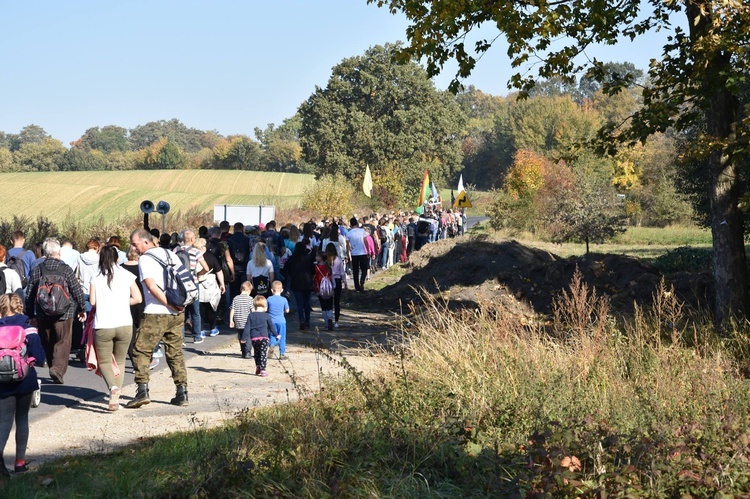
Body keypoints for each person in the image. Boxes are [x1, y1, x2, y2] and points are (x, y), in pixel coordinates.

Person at [126, 228, 189, 409]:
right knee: (175, 352)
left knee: (140, 350)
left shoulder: (145, 259)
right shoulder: (170, 254)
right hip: (177, 312)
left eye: (135, 243)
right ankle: (182, 392)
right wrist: (175, 306)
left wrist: (168, 304)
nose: (133, 247)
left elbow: (152, 287)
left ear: (146, 242)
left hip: (156, 311)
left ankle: (142, 391)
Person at [25, 238, 86, 385]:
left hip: (43, 312)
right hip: (64, 312)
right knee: (63, 341)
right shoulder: (65, 269)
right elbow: (76, 290)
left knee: (47, 341)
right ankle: (57, 369)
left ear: (45, 253)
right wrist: (82, 308)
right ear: (59, 252)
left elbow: (30, 294)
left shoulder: (38, 270)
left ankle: (53, 365)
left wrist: (30, 314)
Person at [88, 245, 142, 411]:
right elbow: (138, 298)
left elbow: (92, 302)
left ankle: (112, 388)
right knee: (120, 361)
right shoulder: (127, 275)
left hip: (104, 324)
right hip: (125, 323)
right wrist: (122, 302)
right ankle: (114, 399)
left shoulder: (96, 277)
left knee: (104, 361)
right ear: (117, 258)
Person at [0, 293, 45, 479]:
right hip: (25, 380)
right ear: (20, 307)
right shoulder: (28, 329)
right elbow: (40, 358)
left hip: (2, 382)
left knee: (4, 420)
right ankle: (19, 462)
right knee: (22, 418)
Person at [175, 230, 209, 343]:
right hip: (192, 282)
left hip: (179, 282)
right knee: (195, 311)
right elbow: (206, 268)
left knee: (181, 310)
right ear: (192, 239)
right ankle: (197, 336)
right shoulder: (196, 251)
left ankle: (181, 337)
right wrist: (198, 274)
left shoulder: (175, 250)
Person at [193, 237, 225, 342]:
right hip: (210, 283)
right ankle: (213, 328)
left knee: (199, 308)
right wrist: (222, 284)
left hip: (198, 282)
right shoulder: (211, 256)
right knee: (211, 307)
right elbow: (219, 271)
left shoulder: (193, 256)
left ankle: (200, 330)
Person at [241, 295, 279, 377]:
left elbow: (247, 328)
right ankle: (263, 369)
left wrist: (243, 338)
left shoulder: (251, 315)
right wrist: (276, 335)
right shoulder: (266, 316)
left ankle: (258, 366)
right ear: (265, 306)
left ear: (254, 305)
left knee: (256, 353)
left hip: (254, 338)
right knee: (263, 354)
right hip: (264, 338)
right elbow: (271, 327)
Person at [284, 242, 315, 331]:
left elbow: (288, 271)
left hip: (296, 283)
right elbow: (313, 271)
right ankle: (307, 321)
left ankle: (301, 320)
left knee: (299, 303)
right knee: (307, 303)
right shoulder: (308, 258)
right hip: (307, 283)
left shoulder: (291, 259)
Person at [229, 281, 254, 358]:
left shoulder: (235, 298)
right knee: (248, 337)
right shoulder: (250, 299)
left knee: (240, 336)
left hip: (238, 321)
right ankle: (247, 352)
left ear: (241, 289)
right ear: (249, 290)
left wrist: (231, 320)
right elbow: (252, 310)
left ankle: (243, 351)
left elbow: (232, 309)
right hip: (247, 322)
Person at [227, 222, 250, 301]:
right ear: (242, 228)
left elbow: (228, 257)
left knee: (233, 292)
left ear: (234, 229)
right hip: (244, 267)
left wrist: (231, 271)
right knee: (244, 290)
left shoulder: (229, 240)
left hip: (234, 268)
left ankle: (233, 309)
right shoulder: (247, 239)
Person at [266, 281, 289, 360]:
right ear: (282, 290)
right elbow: (287, 310)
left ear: (272, 290)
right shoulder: (284, 299)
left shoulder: (269, 299)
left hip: (271, 321)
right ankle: (282, 354)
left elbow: (266, 309)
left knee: (272, 335)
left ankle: (272, 345)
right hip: (281, 321)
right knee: (282, 337)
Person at [326, 243, 346, 328]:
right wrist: (345, 282)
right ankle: (336, 321)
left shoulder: (326, 261)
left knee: (328, 301)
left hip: (329, 280)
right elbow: (342, 272)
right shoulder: (338, 260)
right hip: (337, 280)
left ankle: (329, 319)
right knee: (337, 302)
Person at [77, 238, 101, 311]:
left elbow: (77, 273)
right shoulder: (100, 259)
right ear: (97, 247)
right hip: (95, 289)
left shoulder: (80, 257)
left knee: (83, 314)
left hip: (83, 288)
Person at [314, 251, 335, 331]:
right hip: (329, 289)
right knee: (330, 306)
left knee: (323, 307)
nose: (316, 257)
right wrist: (333, 287)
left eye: (317, 256)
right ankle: (330, 318)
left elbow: (316, 279)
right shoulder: (329, 267)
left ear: (320, 258)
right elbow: (332, 278)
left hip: (321, 290)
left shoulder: (317, 268)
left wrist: (316, 289)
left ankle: (326, 324)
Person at [346, 218, 369, 292]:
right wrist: (368, 250)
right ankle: (362, 280)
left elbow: (347, 245)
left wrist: (348, 253)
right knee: (364, 268)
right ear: (356, 223)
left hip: (354, 253)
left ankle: (357, 287)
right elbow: (365, 241)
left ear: (351, 224)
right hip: (362, 252)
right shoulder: (362, 231)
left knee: (355, 271)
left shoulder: (349, 233)